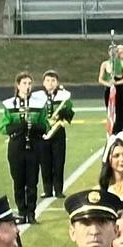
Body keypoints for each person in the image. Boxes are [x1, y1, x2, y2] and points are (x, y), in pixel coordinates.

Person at [1, 73, 48, 225]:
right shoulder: (9, 104)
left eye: (29, 83)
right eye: (24, 83)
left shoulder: (39, 103)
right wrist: (18, 126)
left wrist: (35, 127)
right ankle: (22, 212)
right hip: (16, 147)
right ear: (18, 85)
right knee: (18, 182)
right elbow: (3, 127)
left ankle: (31, 213)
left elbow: (45, 125)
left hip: (34, 146)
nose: (27, 86)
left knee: (32, 181)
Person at [31, 70, 74, 198]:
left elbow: (70, 113)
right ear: (44, 83)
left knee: (59, 162)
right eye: (48, 80)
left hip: (58, 132)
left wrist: (64, 114)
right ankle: (47, 190)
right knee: (44, 162)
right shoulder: (37, 96)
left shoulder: (64, 95)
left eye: (53, 80)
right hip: (42, 133)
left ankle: (59, 190)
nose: (50, 83)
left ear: (57, 82)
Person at [97, 45, 123, 137]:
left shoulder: (122, 63)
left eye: (115, 51)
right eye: (111, 51)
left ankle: (120, 129)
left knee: (120, 109)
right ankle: (112, 128)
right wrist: (108, 84)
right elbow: (100, 79)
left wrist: (116, 83)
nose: (113, 53)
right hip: (109, 89)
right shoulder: (105, 64)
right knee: (110, 109)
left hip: (119, 89)